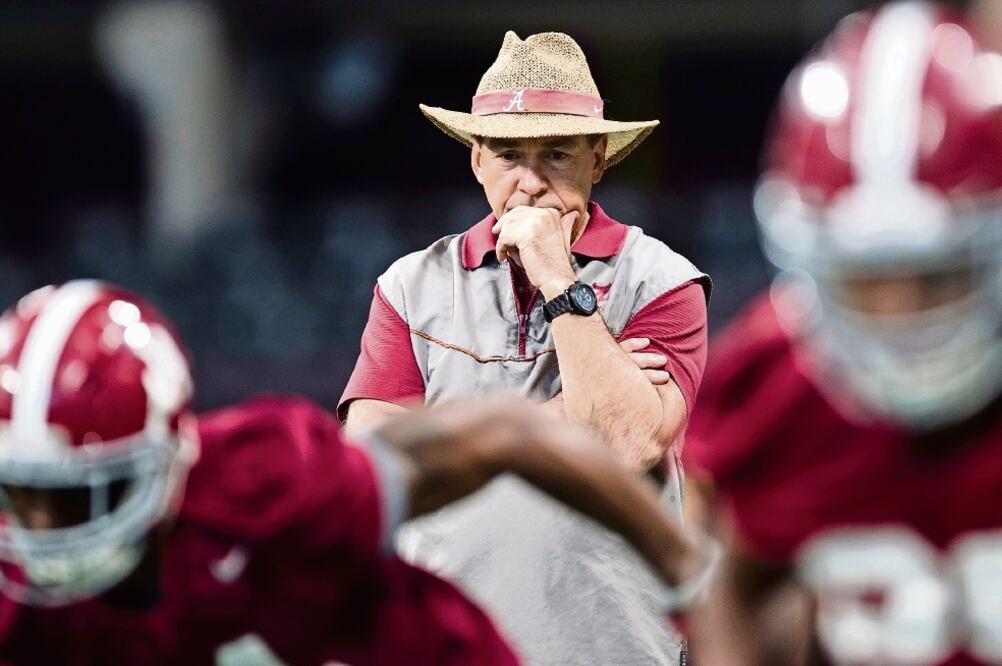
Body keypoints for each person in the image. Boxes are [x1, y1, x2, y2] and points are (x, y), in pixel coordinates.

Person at [0, 280, 711, 665]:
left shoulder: (265, 484)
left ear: (167, 462)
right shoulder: (20, 606)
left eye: (79, 498)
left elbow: (505, 433)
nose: (43, 532)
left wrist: (691, 575)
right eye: (21, 497)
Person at [338, 30, 709, 664]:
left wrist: (557, 277)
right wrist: (554, 421)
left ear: (599, 158)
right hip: (445, 650)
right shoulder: (408, 285)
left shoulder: (662, 279)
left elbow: (626, 443)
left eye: (557, 155)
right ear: (477, 158)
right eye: (509, 155)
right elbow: (367, 469)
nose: (531, 184)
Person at [685, 3, 1002, 664]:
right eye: (864, 281)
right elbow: (721, 569)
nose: (902, 322)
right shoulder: (776, 384)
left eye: (938, 277)